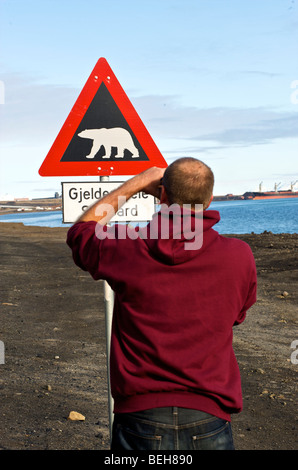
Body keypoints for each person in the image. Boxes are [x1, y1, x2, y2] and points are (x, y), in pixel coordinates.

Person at [67, 157, 257, 450]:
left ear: (163, 195)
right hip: (209, 413)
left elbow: (81, 234)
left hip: (139, 416)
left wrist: (137, 182)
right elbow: (237, 315)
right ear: (208, 200)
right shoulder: (239, 256)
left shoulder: (128, 248)